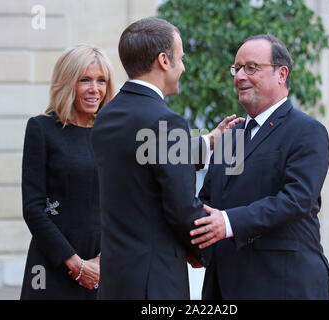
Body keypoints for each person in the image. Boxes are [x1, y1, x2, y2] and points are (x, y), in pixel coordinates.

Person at [91, 17, 242, 300]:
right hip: (155, 283)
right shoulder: (166, 121)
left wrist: (208, 143)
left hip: (116, 281)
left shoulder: (107, 116)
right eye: (181, 58)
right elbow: (182, 207)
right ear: (164, 60)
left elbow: (142, 164)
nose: (183, 67)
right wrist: (206, 253)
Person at [190, 34, 329, 299]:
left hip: (283, 286)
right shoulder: (229, 137)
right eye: (237, 68)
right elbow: (208, 200)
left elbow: (296, 200)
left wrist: (229, 222)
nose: (240, 76)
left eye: (251, 68)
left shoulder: (307, 131)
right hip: (223, 286)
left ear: (281, 74)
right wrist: (198, 245)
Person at [20, 44, 115, 299]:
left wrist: (102, 261)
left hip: (102, 270)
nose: (95, 89)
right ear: (67, 82)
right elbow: (33, 208)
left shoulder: (111, 133)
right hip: (52, 268)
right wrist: (75, 264)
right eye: (85, 80)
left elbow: (124, 203)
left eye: (101, 80)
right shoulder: (42, 128)